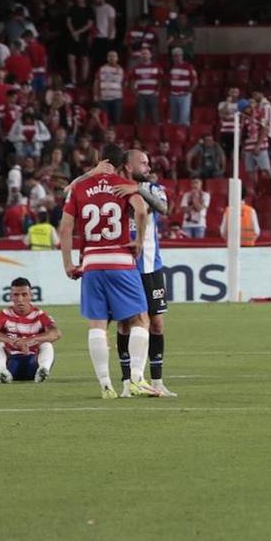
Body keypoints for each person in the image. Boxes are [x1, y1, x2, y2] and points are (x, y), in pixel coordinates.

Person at [59, 145, 160, 399]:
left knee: (97, 324)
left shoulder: (79, 188)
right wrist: (138, 241)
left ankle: (105, 384)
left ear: (98, 160)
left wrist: (69, 263)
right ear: (120, 163)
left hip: (92, 262)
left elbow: (65, 227)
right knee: (140, 319)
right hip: (120, 260)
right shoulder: (122, 184)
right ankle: (136, 378)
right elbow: (140, 210)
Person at [112, 150, 176, 398]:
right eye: (143, 163)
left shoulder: (153, 189)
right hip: (123, 266)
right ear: (127, 166)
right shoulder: (113, 190)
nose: (148, 167)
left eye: (149, 163)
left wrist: (138, 190)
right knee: (126, 324)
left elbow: (165, 208)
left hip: (151, 266)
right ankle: (128, 383)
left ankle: (157, 382)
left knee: (156, 324)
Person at [0, 277, 60, 383]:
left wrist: (30, 340)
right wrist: (12, 341)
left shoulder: (40, 315)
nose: (20, 299)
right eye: (16, 295)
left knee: (46, 343)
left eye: (24, 294)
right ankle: (2, 372)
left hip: (33, 363)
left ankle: (43, 370)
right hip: (11, 365)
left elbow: (56, 333)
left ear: (31, 295)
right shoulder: (4, 315)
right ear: (11, 296)